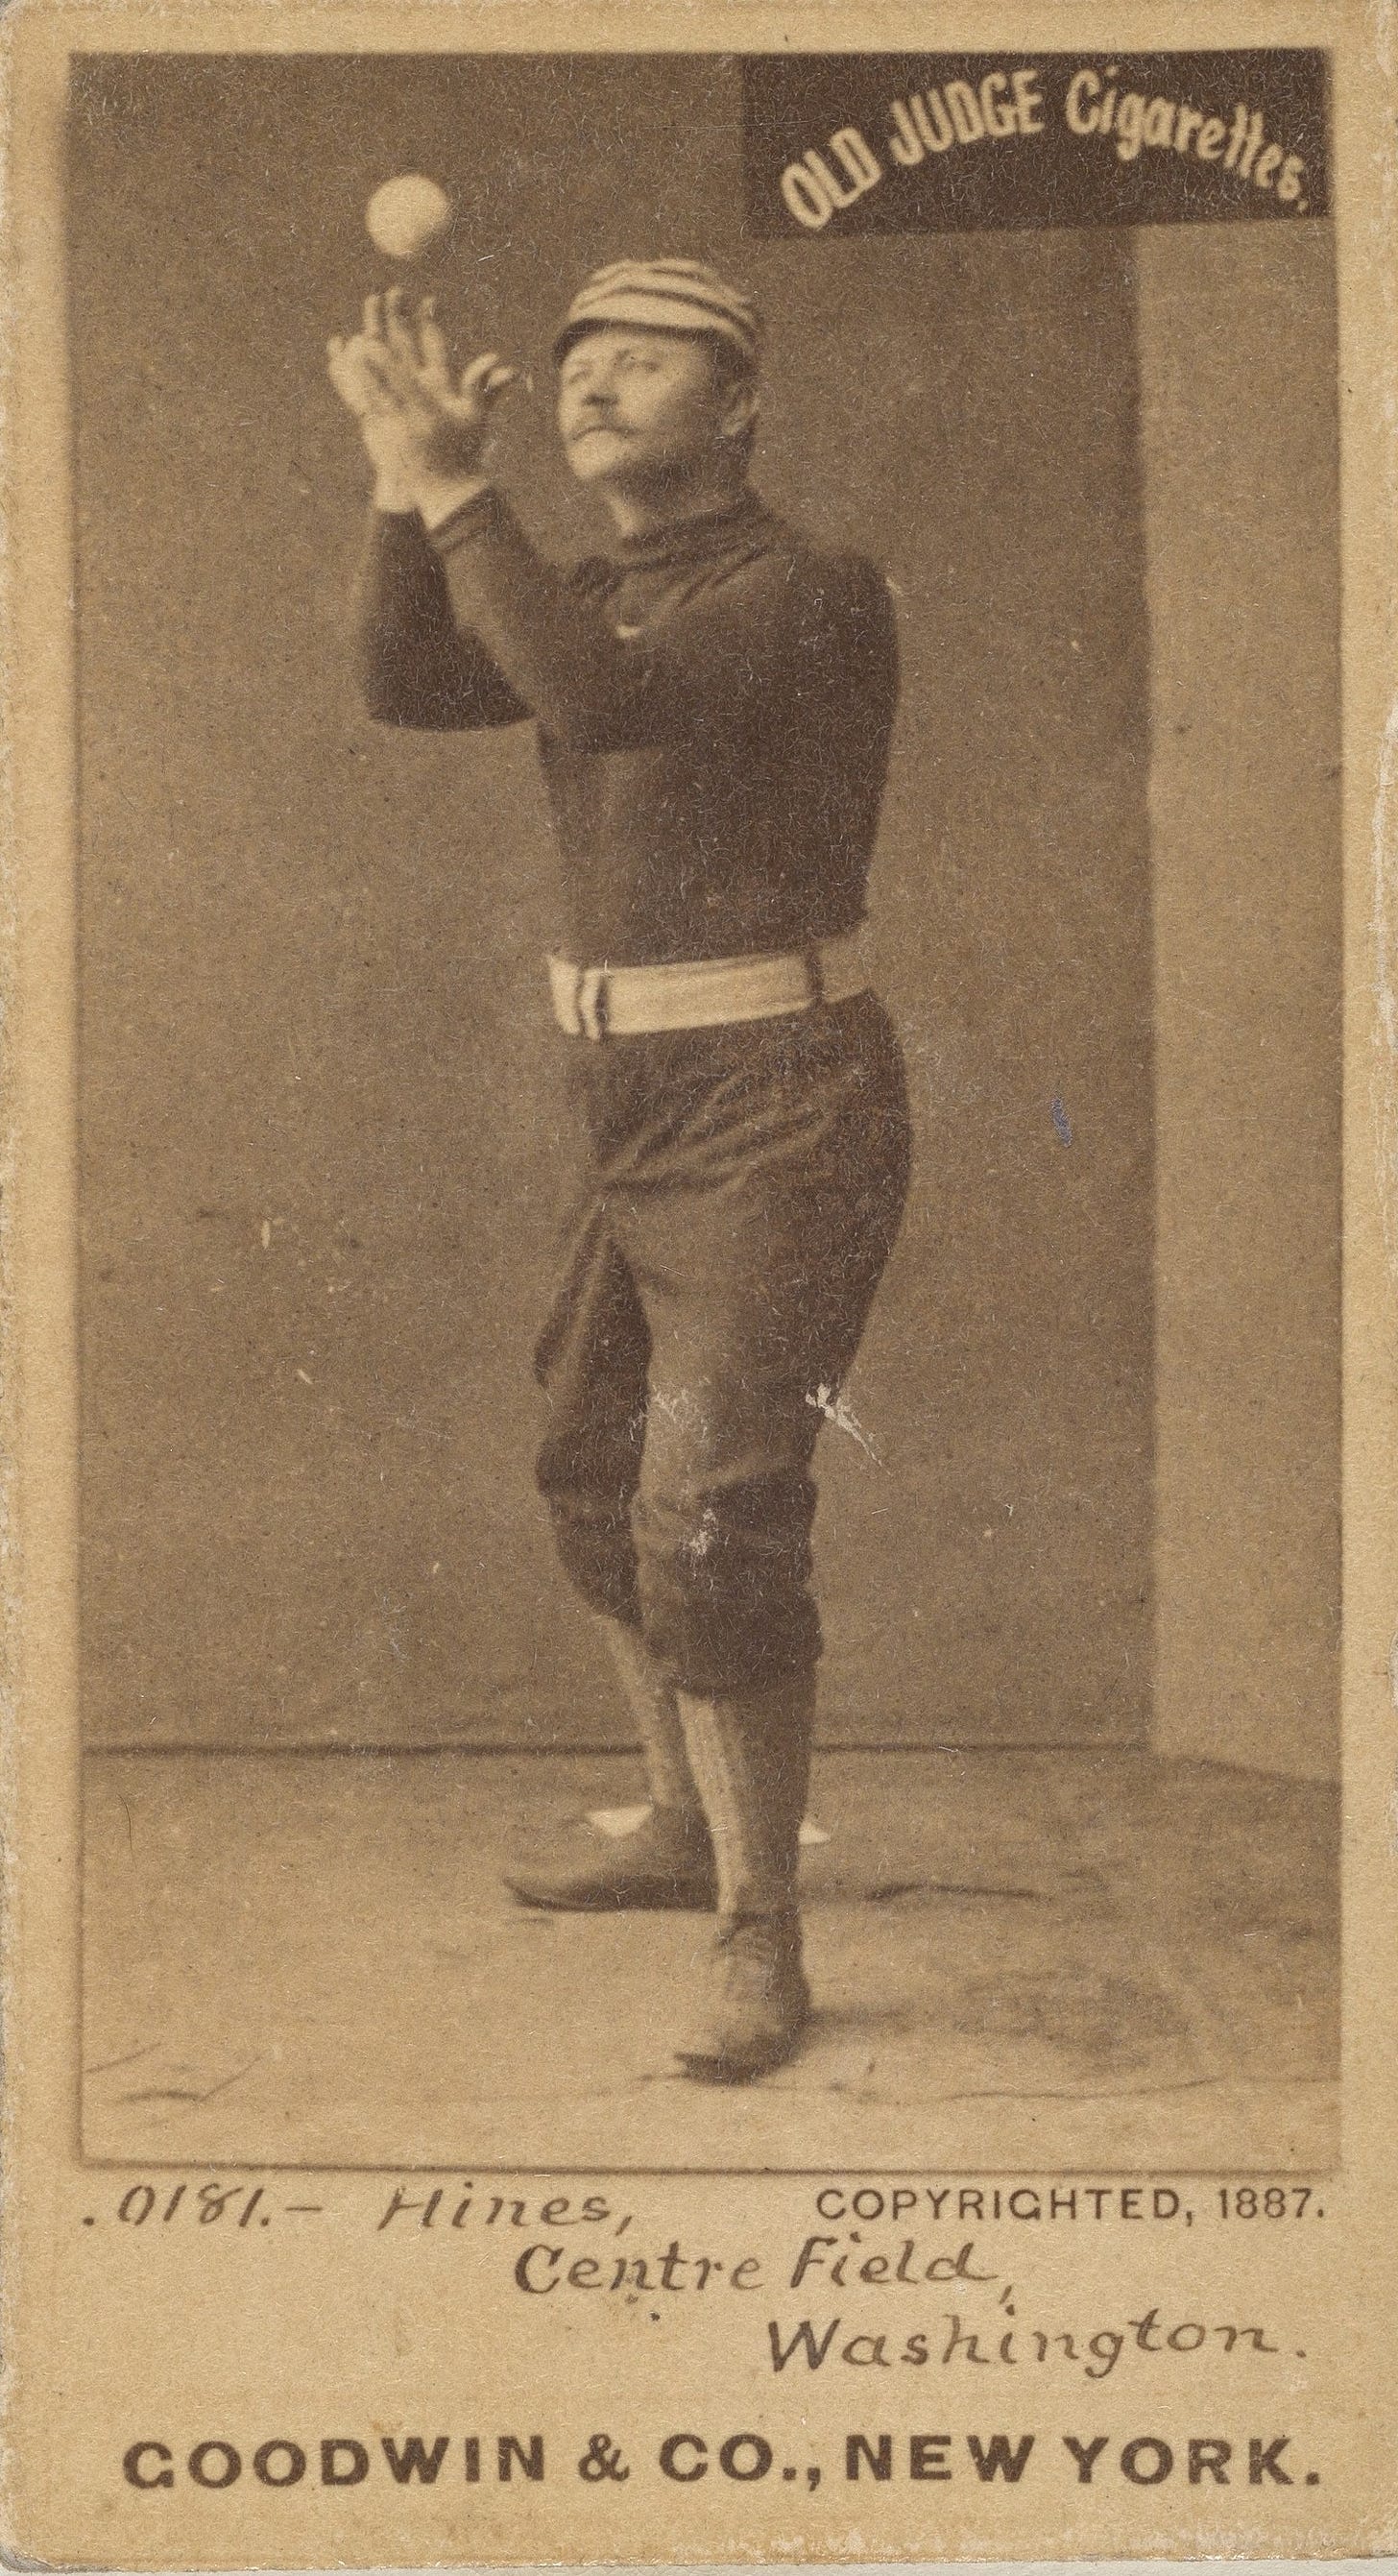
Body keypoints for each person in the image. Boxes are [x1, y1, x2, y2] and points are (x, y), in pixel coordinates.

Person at [327, 256, 911, 2082]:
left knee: (718, 1515)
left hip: (780, 1097)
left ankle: (763, 1927)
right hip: (630, 1099)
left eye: (641, 361)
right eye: (573, 364)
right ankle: (679, 1827)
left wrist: (458, 488)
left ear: (736, 407)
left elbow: (591, 702)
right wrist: (391, 481)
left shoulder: (798, 588)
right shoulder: (596, 582)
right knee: (590, 1457)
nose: (589, 386)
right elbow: (409, 684)